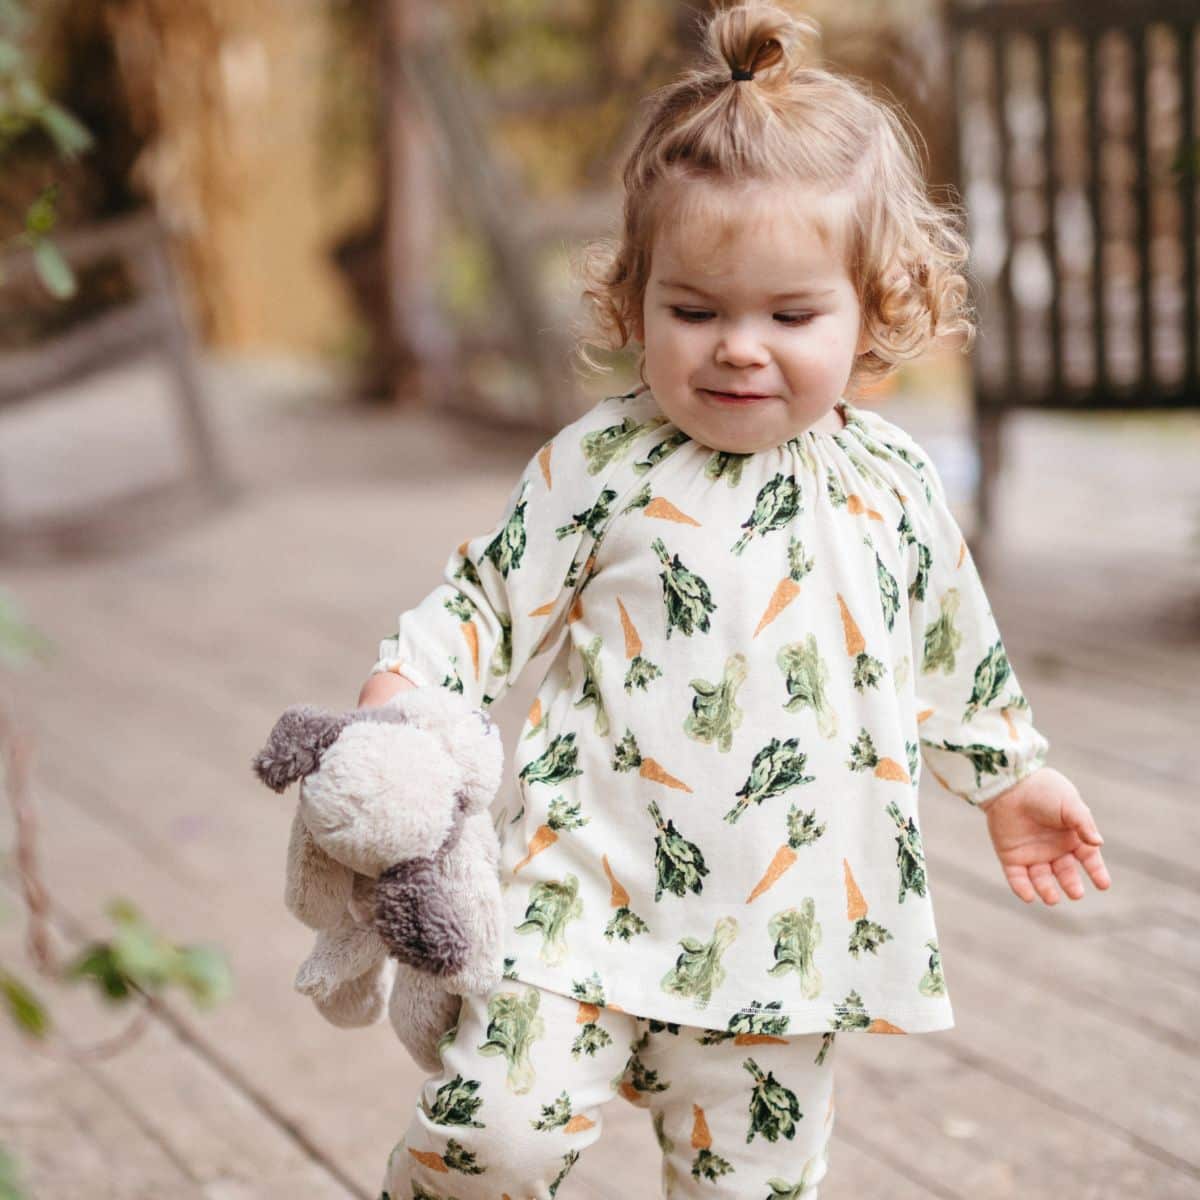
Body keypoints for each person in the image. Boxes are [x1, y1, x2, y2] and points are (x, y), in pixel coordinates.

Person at [358, 4, 1111, 1196]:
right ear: (635, 298)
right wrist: (409, 691)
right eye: (695, 311)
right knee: (488, 1141)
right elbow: (485, 601)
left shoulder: (893, 487)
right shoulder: (600, 468)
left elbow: (953, 650)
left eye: (791, 315)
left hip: (785, 942)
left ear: (877, 305)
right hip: (579, 909)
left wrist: (1011, 778)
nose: (738, 350)